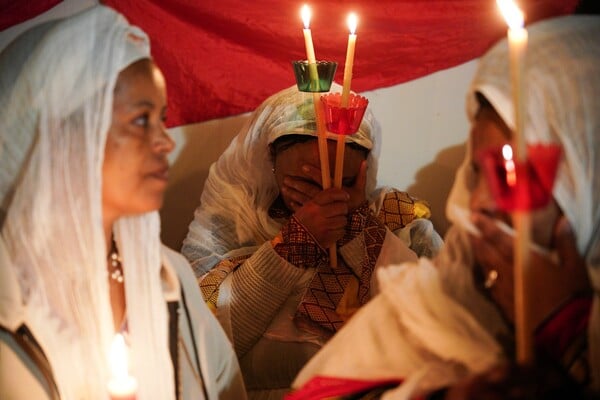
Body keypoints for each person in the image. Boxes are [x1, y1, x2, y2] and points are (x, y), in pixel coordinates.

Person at [290, 14, 600, 400]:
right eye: (475, 170)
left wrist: (564, 332)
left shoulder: (401, 219)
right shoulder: (437, 301)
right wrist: (290, 248)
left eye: (513, 174)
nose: (478, 203)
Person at [0, 6, 246, 399]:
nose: (165, 141)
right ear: (63, 139)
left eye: (162, 119)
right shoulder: (11, 304)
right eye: (140, 120)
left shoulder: (172, 279)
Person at [181, 84, 443, 398]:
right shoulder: (227, 222)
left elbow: (439, 328)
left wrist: (356, 231)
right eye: (305, 181)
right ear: (270, 162)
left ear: (365, 168)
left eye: (343, 183)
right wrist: (292, 249)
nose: (325, 197)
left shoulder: (396, 219)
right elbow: (197, 344)